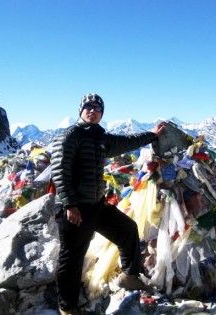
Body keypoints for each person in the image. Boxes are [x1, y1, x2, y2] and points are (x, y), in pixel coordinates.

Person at [50, 93, 166, 315]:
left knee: (128, 230)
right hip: (74, 208)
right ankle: (67, 307)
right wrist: (70, 205)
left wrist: (152, 135)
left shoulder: (100, 138)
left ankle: (129, 276)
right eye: (88, 107)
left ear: (101, 113)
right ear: (80, 111)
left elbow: (126, 142)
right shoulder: (70, 135)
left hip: (96, 205)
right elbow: (59, 172)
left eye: (97, 108)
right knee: (72, 256)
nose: (92, 111)